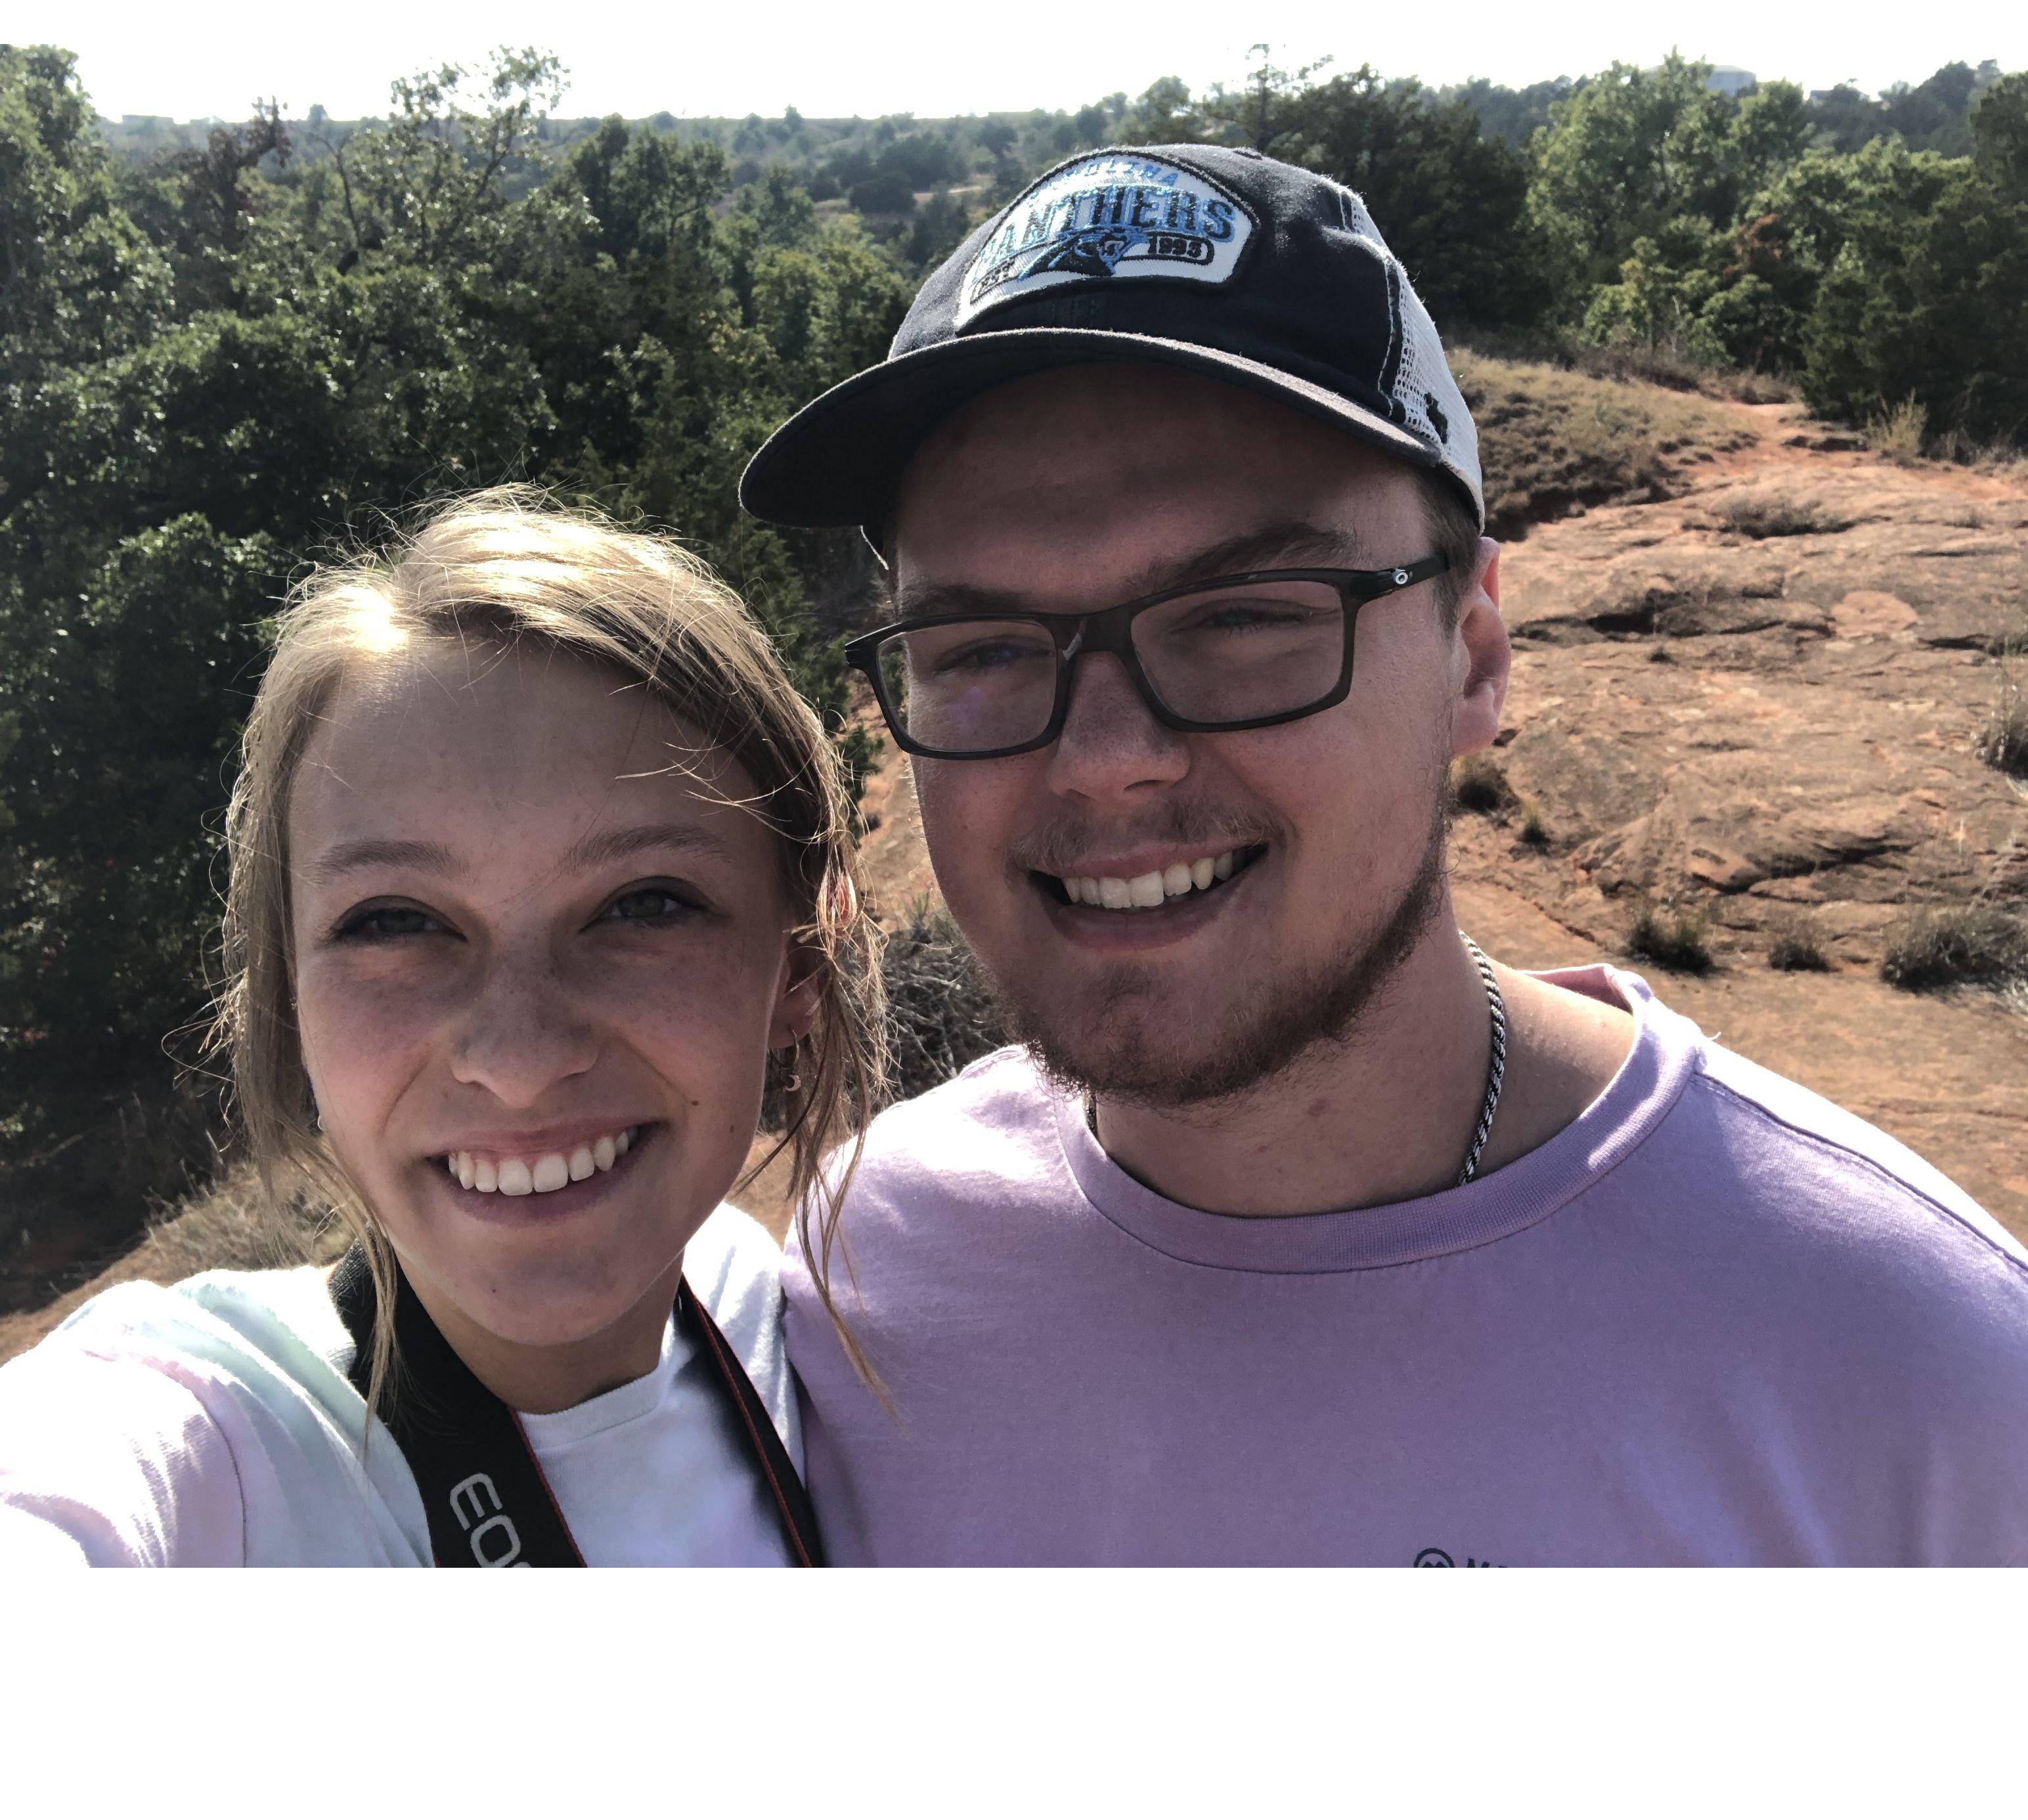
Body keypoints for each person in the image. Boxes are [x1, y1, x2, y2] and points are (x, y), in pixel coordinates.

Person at [741, 143, 2028, 1565]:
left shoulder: (1914, 1375)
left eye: (1241, 613)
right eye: (978, 645)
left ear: (1471, 654)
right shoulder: (862, 1282)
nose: (1105, 753)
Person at [0, 491, 883, 1566]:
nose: (516, 1061)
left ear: (797, 961)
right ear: (291, 993)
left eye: (645, 902)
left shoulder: (764, 1315)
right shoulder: (209, 1441)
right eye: (395, 922)